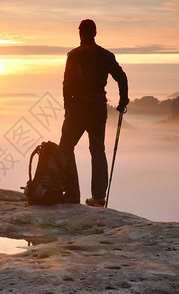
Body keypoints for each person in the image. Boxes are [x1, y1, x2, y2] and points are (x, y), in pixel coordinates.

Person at [59, 19, 129, 207]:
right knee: (97, 150)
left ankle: (72, 193)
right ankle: (98, 197)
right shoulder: (106, 56)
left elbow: (67, 85)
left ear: (80, 33)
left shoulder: (74, 56)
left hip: (78, 109)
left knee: (65, 147)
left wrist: (67, 108)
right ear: (95, 33)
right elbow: (121, 77)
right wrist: (123, 101)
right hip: (98, 109)